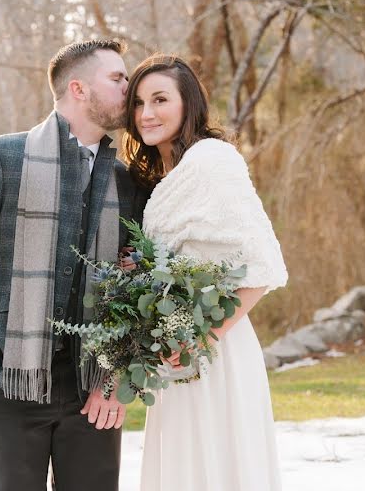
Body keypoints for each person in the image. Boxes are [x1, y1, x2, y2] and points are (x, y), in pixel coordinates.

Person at [0, 39, 149, 491]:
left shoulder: (125, 180)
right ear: (78, 88)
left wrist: (115, 378)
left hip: (93, 387)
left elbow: (133, 281)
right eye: (117, 78)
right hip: (8, 376)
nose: (130, 89)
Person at [122, 54, 288, 491]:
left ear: (188, 103)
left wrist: (203, 337)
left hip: (219, 346)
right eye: (138, 103)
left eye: (160, 99)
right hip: (174, 351)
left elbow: (262, 267)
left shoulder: (213, 160)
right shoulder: (158, 177)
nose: (147, 113)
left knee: (220, 465)